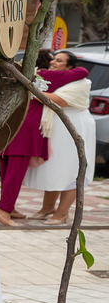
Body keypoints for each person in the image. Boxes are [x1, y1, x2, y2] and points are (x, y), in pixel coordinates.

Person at [23, 50, 96, 226]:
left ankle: (62, 213)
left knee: (71, 170)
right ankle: (47, 208)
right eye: (53, 59)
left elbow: (57, 100)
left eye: (59, 60)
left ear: (69, 66)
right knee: (55, 168)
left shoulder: (81, 82)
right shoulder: (55, 80)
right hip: (57, 130)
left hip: (76, 129)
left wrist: (29, 89)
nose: (53, 62)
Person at [0, 49, 52, 227]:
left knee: (8, 169)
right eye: (53, 60)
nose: (55, 63)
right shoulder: (45, 76)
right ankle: (3, 209)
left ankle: (9, 205)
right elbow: (81, 72)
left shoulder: (21, 73)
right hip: (27, 129)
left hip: (15, 124)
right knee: (15, 172)